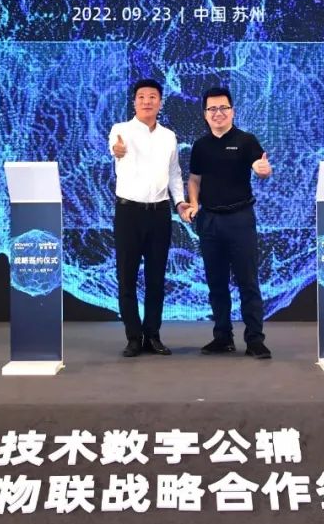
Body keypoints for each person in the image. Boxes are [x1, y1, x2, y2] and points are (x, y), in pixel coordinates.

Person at [184, 86, 273, 359]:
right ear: (205, 114)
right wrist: (194, 203)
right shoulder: (200, 146)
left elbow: (261, 168)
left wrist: (262, 170)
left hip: (240, 219)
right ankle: (222, 337)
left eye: (223, 108)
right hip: (210, 221)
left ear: (232, 111)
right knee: (216, 283)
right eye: (212, 109)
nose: (218, 113)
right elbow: (194, 179)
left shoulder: (246, 141)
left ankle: (255, 340)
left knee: (248, 282)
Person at [109, 78, 190, 357]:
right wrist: (117, 150)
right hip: (128, 213)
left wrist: (180, 202)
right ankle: (133, 337)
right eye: (141, 96)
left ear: (160, 102)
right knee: (127, 278)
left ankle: (153, 335)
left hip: (159, 214)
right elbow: (115, 148)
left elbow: (175, 174)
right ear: (134, 102)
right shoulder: (120, 130)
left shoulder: (168, 136)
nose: (147, 101)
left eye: (152, 96)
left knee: (156, 279)